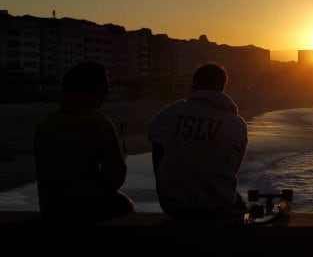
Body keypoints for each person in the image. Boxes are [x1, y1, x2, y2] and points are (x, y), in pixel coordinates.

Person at [147, 62, 248, 222]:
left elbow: (152, 132)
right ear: (222, 87)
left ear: (195, 84)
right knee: (241, 205)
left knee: (159, 138)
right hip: (218, 207)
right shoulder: (237, 124)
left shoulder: (173, 112)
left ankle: (167, 189)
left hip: (173, 205)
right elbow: (233, 166)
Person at [33, 61, 135, 221]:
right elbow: (116, 175)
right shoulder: (99, 124)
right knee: (126, 203)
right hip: (84, 208)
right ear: (95, 89)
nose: (108, 91)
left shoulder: (45, 124)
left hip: (49, 206)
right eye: (105, 85)